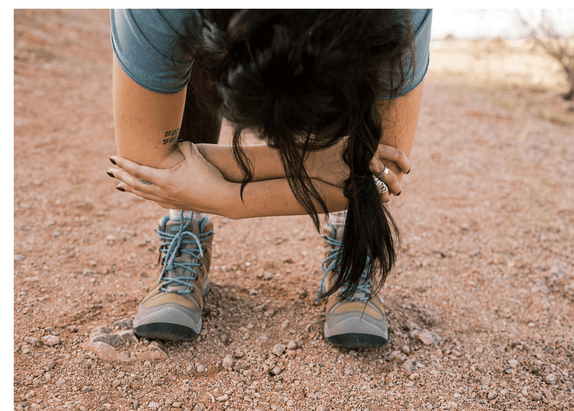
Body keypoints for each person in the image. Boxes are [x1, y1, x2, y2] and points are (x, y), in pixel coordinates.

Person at [106, 9, 431, 348]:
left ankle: (350, 228)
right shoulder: (159, 10)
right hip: (203, 17)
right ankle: (187, 222)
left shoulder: (398, 12)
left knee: (335, 74)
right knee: (186, 35)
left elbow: (381, 174)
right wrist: (329, 162)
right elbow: (145, 165)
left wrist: (228, 199)